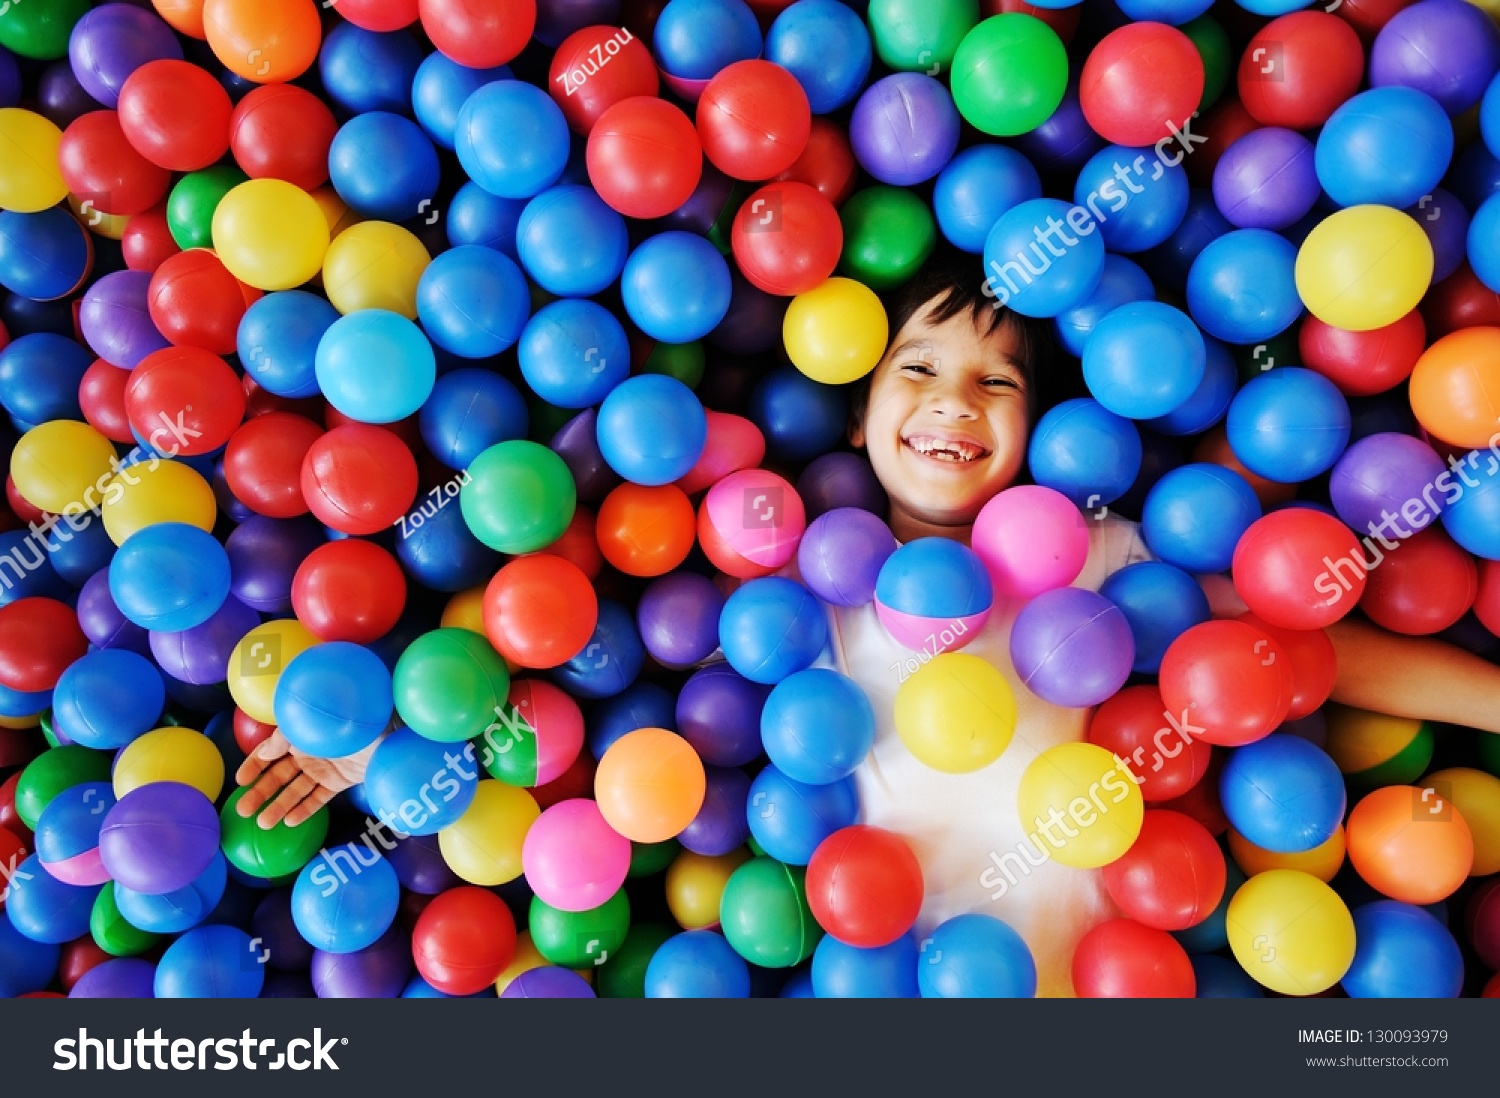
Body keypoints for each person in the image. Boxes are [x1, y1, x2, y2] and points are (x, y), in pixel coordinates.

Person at [237, 246, 1500, 995]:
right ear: (855, 416)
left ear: (1047, 437)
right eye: (920, 369)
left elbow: (1291, 643)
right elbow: (571, 673)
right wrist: (384, 753)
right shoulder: (785, 580)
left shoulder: (1098, 564)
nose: (957, 399)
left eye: (997, 381)